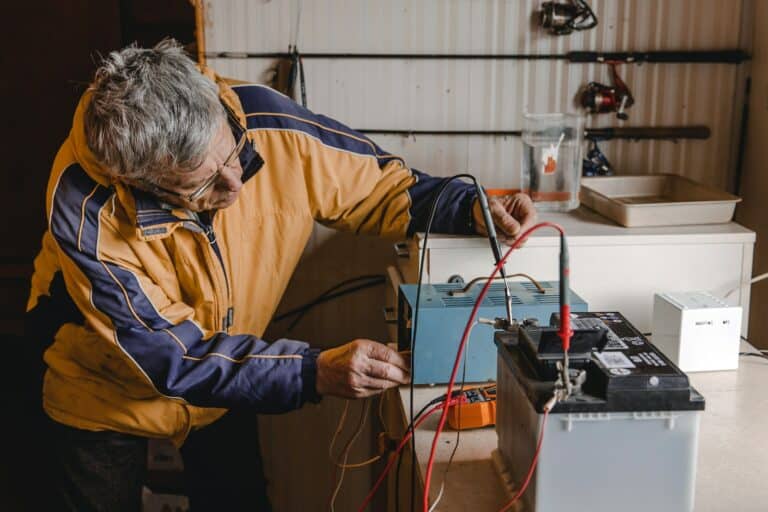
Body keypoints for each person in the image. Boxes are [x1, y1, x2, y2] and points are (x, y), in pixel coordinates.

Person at [26, 39, 536, 511]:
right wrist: (311, 370)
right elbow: (173, 356)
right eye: (202, 187)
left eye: (233, 155)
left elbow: (377, 186)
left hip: (226, 370)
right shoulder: (85, 210)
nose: (235, 184)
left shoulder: (261, 115)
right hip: (100, 392)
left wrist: (468, 206)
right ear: (138, 180)